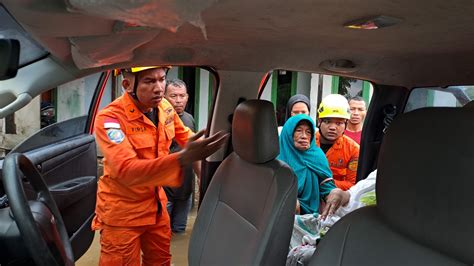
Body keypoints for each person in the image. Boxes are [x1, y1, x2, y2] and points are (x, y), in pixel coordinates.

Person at [92, 66, 228, 265]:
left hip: (156, 208)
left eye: (162, 79)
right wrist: (182, 158)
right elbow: (126, 170)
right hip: (122, 216)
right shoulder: (110, 118)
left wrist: (221, 144)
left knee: (161, 262)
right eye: (149, 81)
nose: (159, 88)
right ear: (127, 85)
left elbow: (187, 139)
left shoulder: (165, 107)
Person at [278, 114, 348, 217]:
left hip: (310, 214)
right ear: (289, 133)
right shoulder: (277, 156)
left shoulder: (317, 156)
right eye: (298, 131)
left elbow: (326, 187)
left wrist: (335, 193)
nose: (304, 136)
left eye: (308, 132)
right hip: (280, 211)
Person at [164, 78, 200, 234]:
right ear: (164, 97)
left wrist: (201, 177)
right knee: (161, 234)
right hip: (164, 188)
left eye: (182, 96)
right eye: (173, 96)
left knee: (180, 231)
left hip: (185, 188)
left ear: (187, 97)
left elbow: (194, 150)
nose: (178, 100)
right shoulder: (159, 119)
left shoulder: (189, 119)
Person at [316, 94, 359, 191]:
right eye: (327, 121)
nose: (332, 127)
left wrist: (323, 183)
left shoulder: (353, 149)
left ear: (346, 124)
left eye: (339, 123)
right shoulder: (308, 143)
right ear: (319, 122)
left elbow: (352, 184)